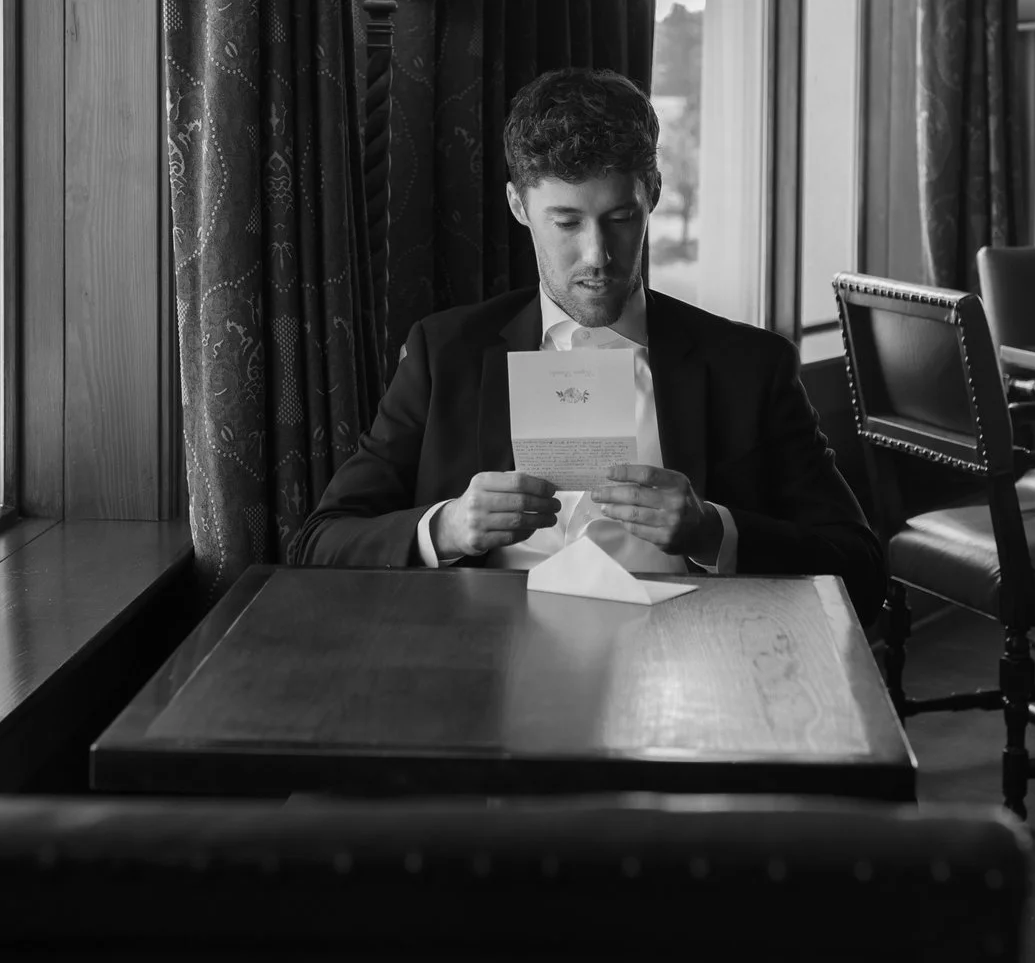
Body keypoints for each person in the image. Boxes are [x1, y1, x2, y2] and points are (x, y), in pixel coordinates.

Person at [291, 66, 884, 616]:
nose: (597, 256)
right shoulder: (443, 353)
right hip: (486, 664)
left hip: (687, 664)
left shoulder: (750, 367)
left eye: (621, 218)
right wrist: (445, 529)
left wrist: (712, 530)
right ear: (518, 206)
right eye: (568, 223)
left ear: (651, 192)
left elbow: (859, 565)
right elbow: (319, 541)